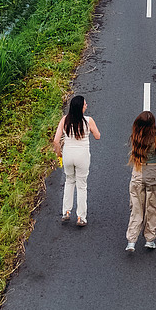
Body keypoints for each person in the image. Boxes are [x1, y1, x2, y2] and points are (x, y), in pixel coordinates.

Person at [125, 111, 156, 252]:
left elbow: (144, 145)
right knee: (152, 207)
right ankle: (150, 240)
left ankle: (131, 241)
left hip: (138, 173)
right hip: (152, 174)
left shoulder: (135, 137)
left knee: (136, 208)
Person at [53, 95, 100, 227]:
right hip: (82, 155)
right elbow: (97, 136)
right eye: (85, 104)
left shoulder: (65, 120)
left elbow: (56, 141)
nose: (86, 106)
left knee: (69, 181)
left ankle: (66, 212)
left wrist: (59, 154)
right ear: (80, 107)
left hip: (68, 154)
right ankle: (81, 217)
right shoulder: (88, 120)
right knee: (81, 185)